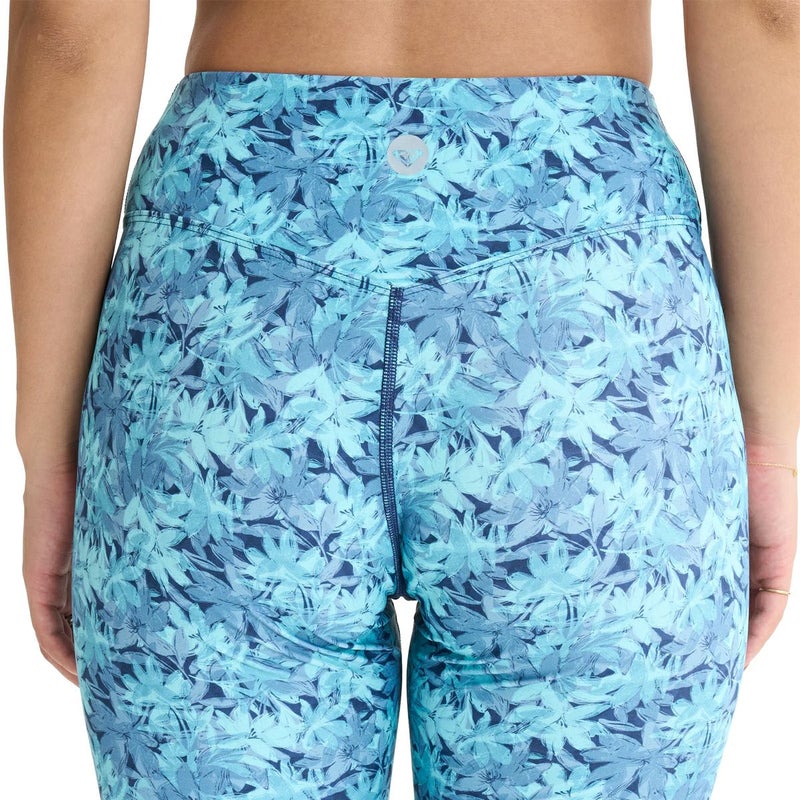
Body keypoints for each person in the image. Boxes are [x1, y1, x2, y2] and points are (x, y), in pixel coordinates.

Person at [5, 1, 798, 798]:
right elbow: (768, 17)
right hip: (590, 308)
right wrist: (768, 446)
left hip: (231, 288)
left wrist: (51, 453)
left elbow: (71, 31)